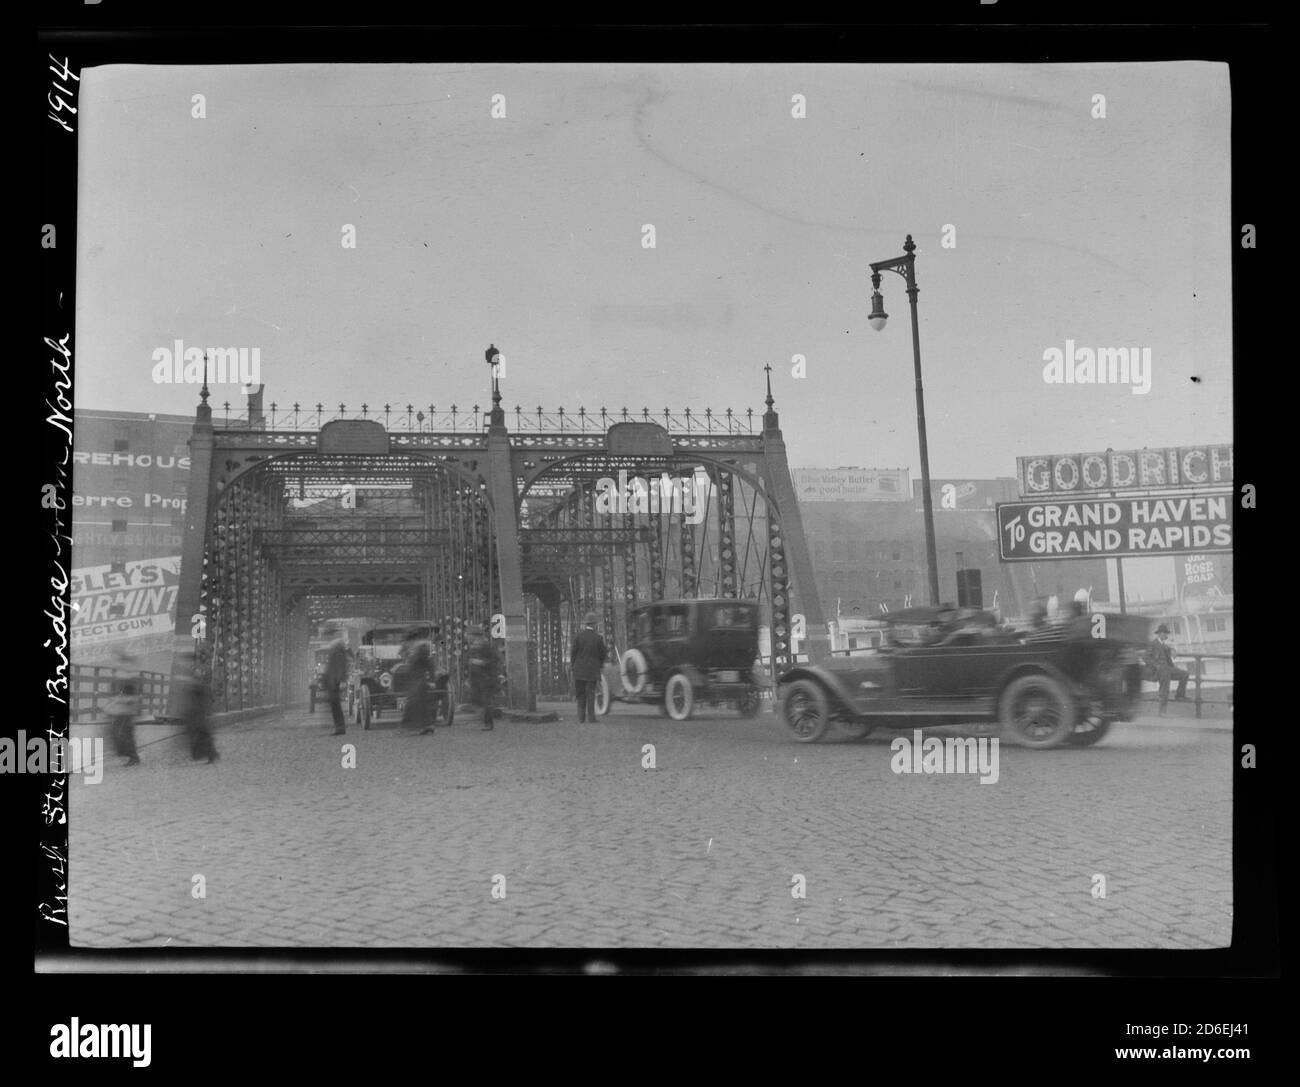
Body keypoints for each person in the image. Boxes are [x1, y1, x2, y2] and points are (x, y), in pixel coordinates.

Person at [176, 652, 218, 763]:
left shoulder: (196, 671)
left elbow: (199, 687)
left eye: (186, 661)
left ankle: (209, 754)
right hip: (194, 706)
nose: (184, 664)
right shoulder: (193, 670)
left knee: (198, 731)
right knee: (198, 731)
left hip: (196, 706)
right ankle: (210, 753)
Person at [105, 650, 143, 766]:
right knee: (119, 732)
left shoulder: (128, 676)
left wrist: (120, 700)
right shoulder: (119, 675)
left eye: (116, 660)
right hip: (118, 710)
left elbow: (135, 696)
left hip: (125, 710)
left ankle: (132, 757)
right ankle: (129, 755)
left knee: (124, 733)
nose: (114, 663)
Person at [570, 611, 608, 723]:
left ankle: (581, 718)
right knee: (590, 694)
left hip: (579, 671)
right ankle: (591, 718)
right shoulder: (598, 638)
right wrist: (599, 665)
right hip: (592, 671)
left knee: (580, 694)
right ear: (594, 624)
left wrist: (574, 667)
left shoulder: (578, 637)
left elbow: (573, 654)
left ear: (586, 624)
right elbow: (603, 654)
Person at [1148, 624, 1189, 714]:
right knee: (1164, 690)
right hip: (1159, 671)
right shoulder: (1153, 644)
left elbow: (1166, 648)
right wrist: (1156, 665)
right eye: (1165, 633)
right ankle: (1162, 712)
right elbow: (1145, 657)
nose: (1167, 636)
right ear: (1160, 634)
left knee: (1185, 674)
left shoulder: (1163, 644)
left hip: (1168, 669)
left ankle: (1179, 695)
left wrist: (1172, 650)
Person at [466, 624, 501, 731]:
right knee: (477, 700)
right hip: (477, 679)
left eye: (469, 635)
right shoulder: (473, 647)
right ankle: (484, 719)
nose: (468, 637)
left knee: (486, 701)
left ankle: (488, 723)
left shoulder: (485, 646)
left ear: (475, 635)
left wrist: (482, 662)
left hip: (486, 678)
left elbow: (495, 660)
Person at [400, 640, 438, 736]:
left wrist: (432, 681)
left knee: (413, 704)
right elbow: (430, 668)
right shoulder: (417, 657)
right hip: (417, 682)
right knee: (423, 705)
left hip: (418, 683)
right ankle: (426, 726)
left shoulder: (420, 657)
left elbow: (431, 669)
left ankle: (410, 726)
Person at [323, 630, 350, 735]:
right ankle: (339, 727)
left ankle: (340, 728)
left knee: (335, 705)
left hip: (334, 682)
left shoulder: (337, 651)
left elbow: (340, 668)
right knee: (335, 705)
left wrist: (341, 680)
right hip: (333, 681)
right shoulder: (337, 650)